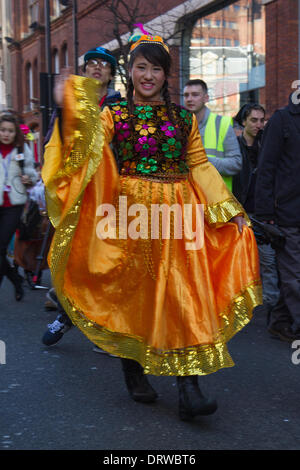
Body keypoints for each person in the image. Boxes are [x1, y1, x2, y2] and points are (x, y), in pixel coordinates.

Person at [42, 32, 262, 420]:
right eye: (141, 67)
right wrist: (73, 103)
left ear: (165, 75)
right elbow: (88, 144)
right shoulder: (115, 114)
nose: (148, 75)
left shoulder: (183, 118)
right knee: (134, 293)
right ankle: (134, 368)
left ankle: (189, 387)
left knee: (186, 297)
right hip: (130, 217)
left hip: (181, 217)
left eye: (156, 68)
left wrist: (227, 209)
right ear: (130, 72)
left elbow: (199, 166)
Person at [42, 46, 121, 354]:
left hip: (109, 196)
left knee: (105, 263)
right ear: (85, 70)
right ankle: (68, 315)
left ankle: (98, 325)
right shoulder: (71, 101)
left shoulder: (118, 106)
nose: (98, 68)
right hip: (75, 196)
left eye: (104, 64)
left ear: (112, 73)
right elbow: (56, 143)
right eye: (92, 63)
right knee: (72, 261)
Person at [255, 92, 300, 342]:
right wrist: (265, 213)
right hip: (287, 212)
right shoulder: (283, 119)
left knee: (293, 275)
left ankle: (280, 321)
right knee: (294, 275)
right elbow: (266, 167)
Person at [232, 104, 279, 318]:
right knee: (239, 260)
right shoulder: (235, 147)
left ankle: (271, 303)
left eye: (262, 120)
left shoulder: (266, 147)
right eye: (254, 120)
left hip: (261, 213)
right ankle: (237, 303)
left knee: (268, 260)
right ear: (244, 122)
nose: (259, 125)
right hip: (239, 212)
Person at [0, 113, 37, 300]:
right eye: (3, 130)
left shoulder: (22, 149)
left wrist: (28, 178)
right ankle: (15, 279)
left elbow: (32, 172)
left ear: (15, 133)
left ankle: (15, 280)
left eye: (10, 131)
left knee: (1, 247)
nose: (6, 134)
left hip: (13, 204)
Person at [183, 79, 242, 191]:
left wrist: (203, 161)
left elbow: (236, 164)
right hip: (187, 200)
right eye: (186, 95)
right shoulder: (177, 126)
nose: (190, 99)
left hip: (216, 200)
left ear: (206, 98)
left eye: (195, 95)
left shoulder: (222, 124)